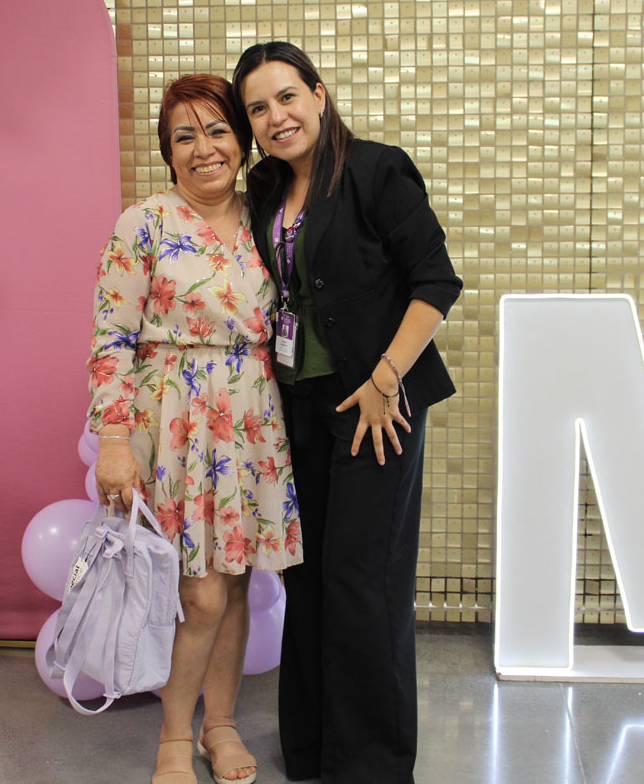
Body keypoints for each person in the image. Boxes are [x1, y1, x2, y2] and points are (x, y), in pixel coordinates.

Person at [232, 42, 463, 783]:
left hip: (376, 406)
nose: (276, 117)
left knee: (364, 581)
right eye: (258, 108)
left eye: (287, 97)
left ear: (319, 95)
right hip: (300, 407)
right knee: (307, 577)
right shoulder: (264, 189)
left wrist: (385, 378)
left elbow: (436, 280)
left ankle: (370, 766)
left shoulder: (375, 170)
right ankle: (312, 749)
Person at [88, 74, 302, 784]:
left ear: (241, 141)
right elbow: (112, 337)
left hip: (251, 417)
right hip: (175, 421)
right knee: (199, 591)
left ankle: (221, 725)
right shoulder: (144, 222)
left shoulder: (270, 217)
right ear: (168, 152)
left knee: (234, 584)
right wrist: (113, 440)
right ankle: (175, 735)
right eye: (185, 136)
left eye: (216, 130)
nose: (204, 148)